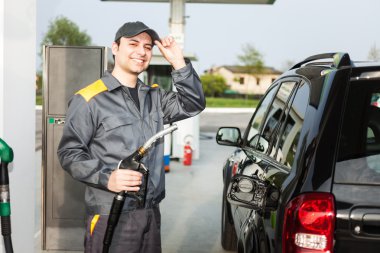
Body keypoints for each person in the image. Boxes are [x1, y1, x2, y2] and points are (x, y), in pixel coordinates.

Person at [57, 21, 205, 253]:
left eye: (147, 47)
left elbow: (193, 103)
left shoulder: (155, 97)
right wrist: (107, 178)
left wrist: (178, 62)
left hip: (149, 211)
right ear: (115, 48)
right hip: (111, 211)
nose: (141, 51)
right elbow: (69, 153)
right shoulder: (89, 99)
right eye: (133, 43)